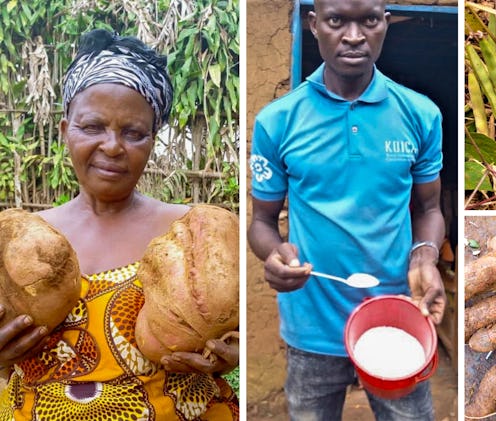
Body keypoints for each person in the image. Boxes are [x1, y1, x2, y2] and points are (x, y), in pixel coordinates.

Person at [0, 29, 239, 420]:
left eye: (133, 133)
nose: (112, 146)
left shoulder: (194, 234)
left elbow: (235, 326)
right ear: (64, 132)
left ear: (152, 141)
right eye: (92, 127)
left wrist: (232, 350)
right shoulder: (16, 243)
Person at [248, 0, 446, 419]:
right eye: (338, 21)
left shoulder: (420, 114)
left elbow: (429, 208)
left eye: (369, 20)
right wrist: (273, 255)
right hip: (312, 327)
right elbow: (263, 222)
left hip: (397, 315)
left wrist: (425, 256)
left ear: (385, 25)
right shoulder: (278, 121)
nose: (354, 36)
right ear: (314, 24)